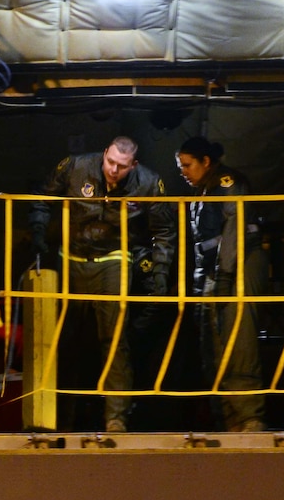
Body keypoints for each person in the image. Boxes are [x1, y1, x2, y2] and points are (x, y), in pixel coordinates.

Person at [28, 136, 179, 432]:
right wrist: (38, 233)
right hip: (69, 257)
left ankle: (115, 418)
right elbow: (40, 196)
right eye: (110, 162)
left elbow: (164, 230)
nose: (113, 170)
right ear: (104, 154)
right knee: (63, 340)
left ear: (132, 165)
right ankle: (55, 418)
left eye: (121, 166)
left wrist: (160, 274)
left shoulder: (149, 182)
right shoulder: (75, 166)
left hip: (114, 258)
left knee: (114, 341)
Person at [175, 137, 268, 432]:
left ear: (205, 162)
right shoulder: (202, 191)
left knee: (239, 341)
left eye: (188, 165)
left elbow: (235, 227)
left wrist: (226, 274)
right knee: (213, 346)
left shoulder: (227, 183)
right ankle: (230, 418)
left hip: (239, 264)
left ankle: (249, 417)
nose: (183, 172)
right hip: (216, 271)